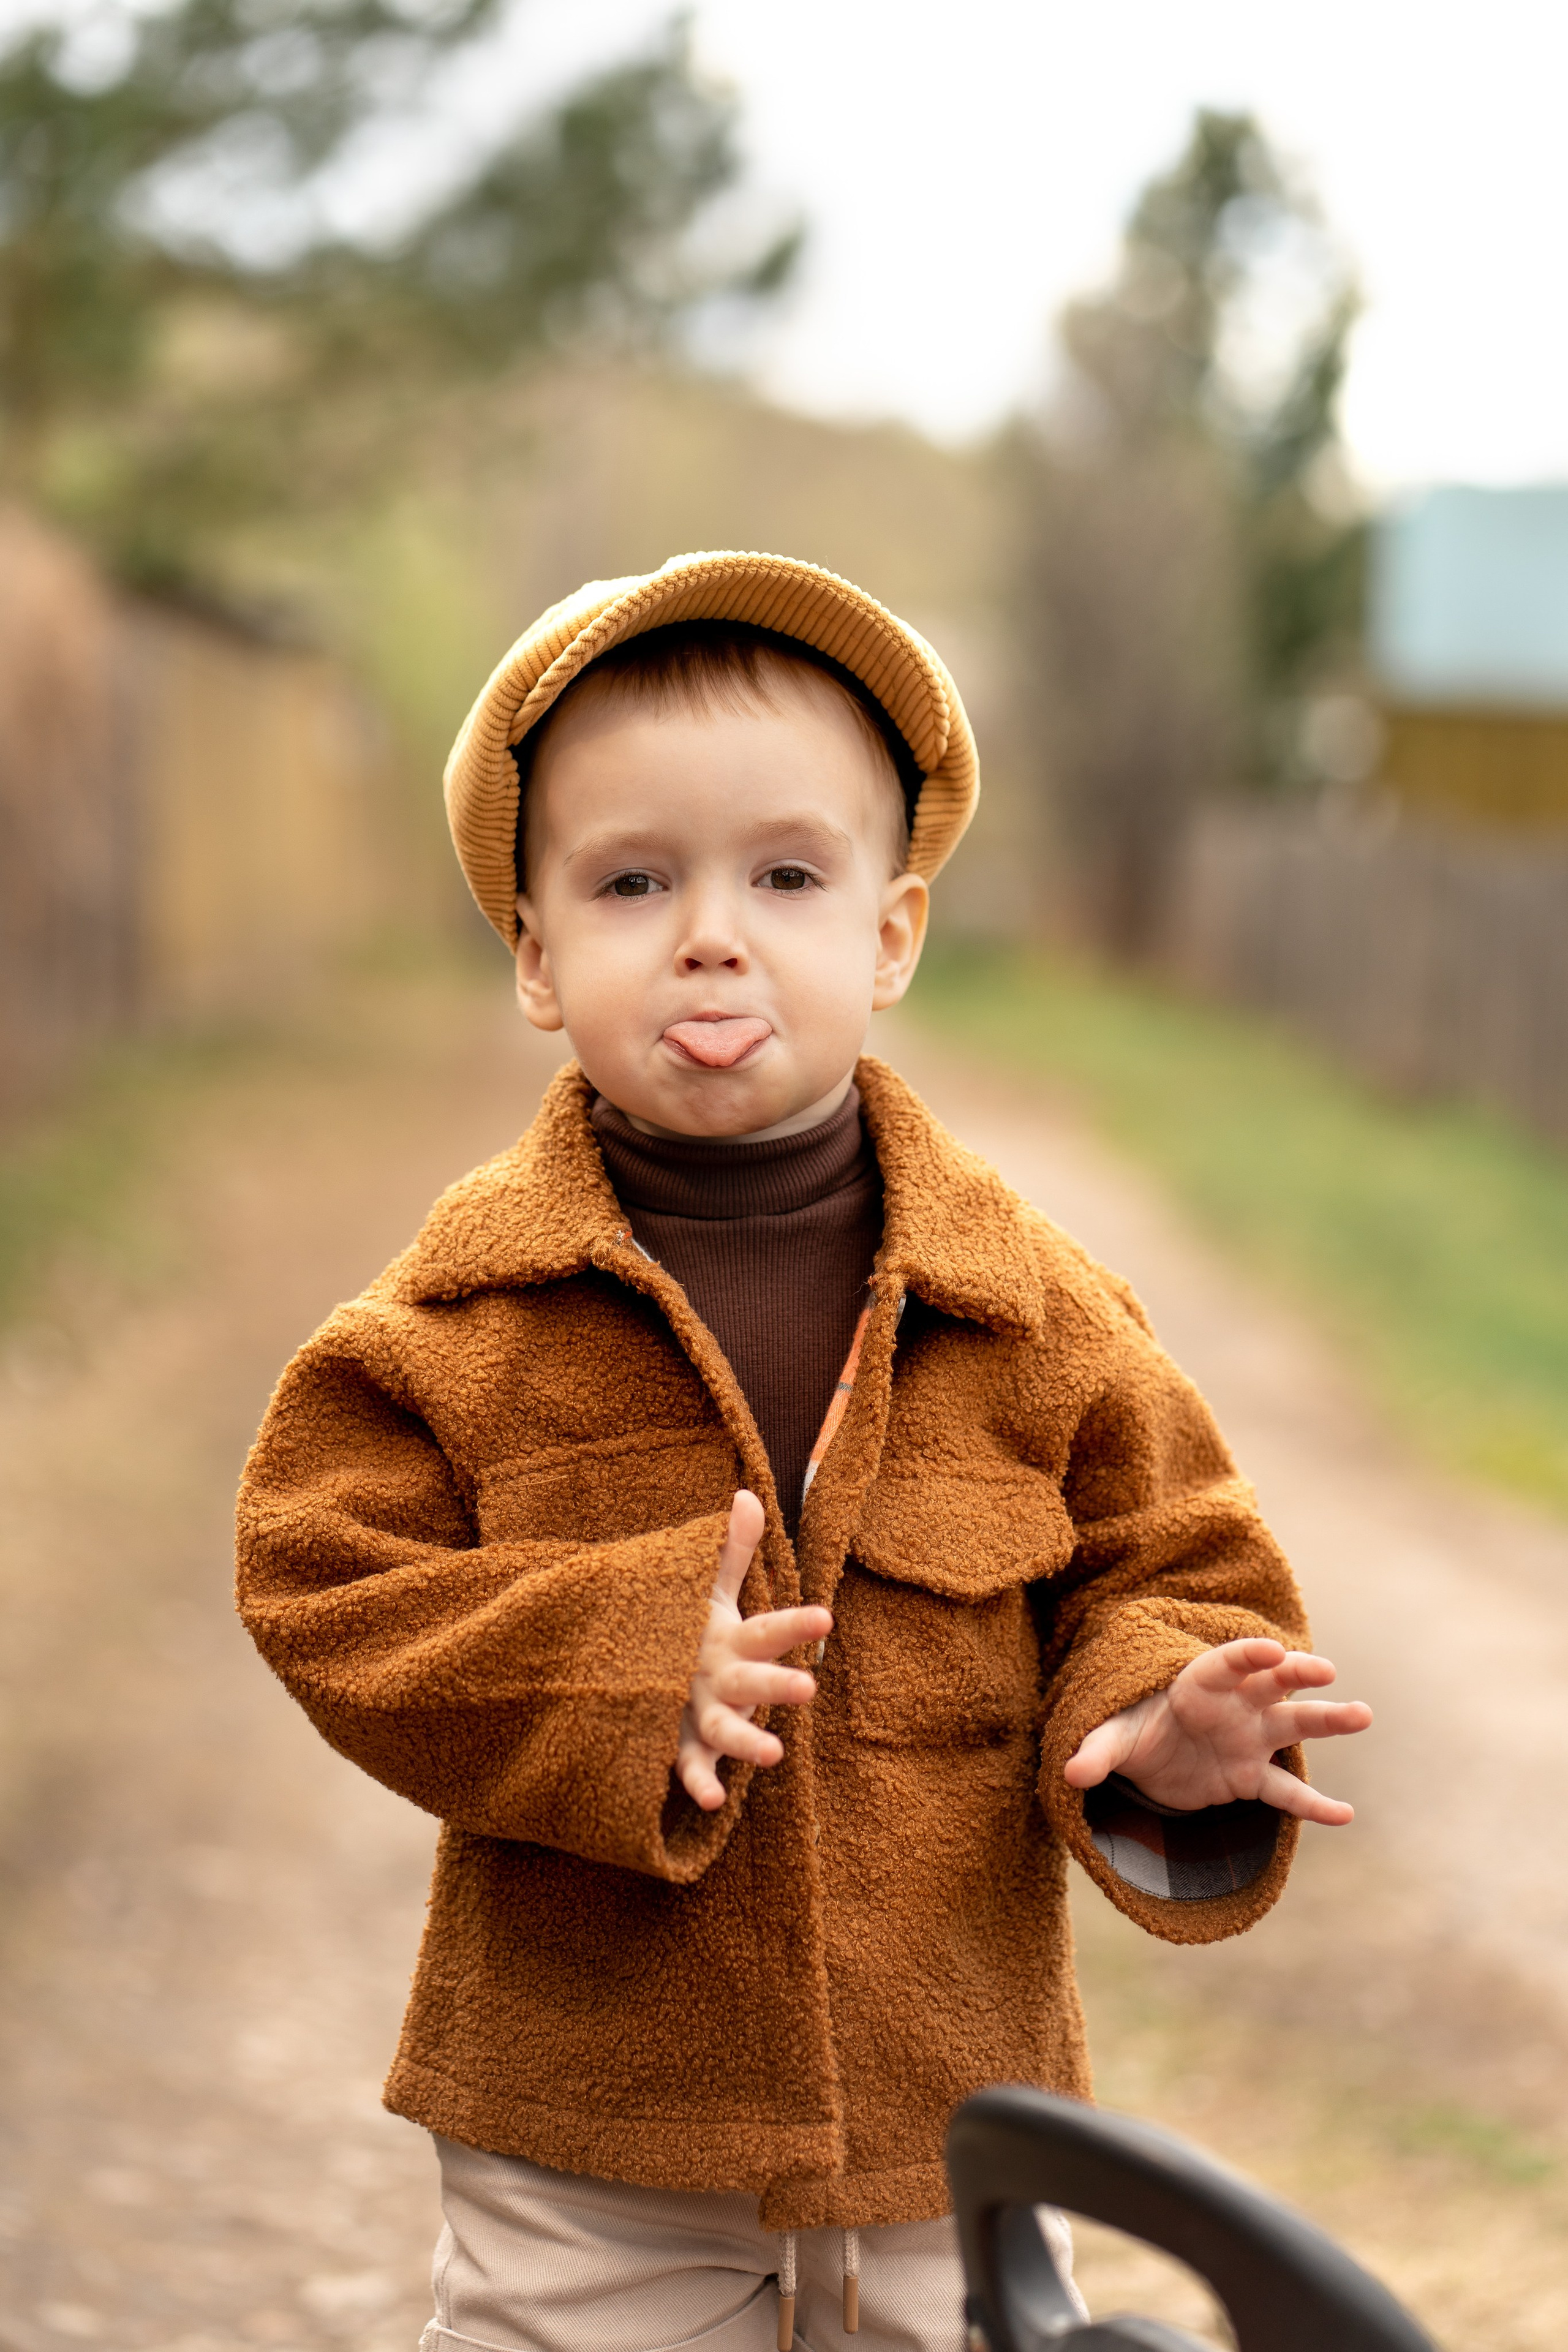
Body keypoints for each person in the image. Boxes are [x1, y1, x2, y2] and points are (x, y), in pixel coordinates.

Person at [235, 552, 1372, 2352]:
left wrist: (1159, 1715)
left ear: (892, 934)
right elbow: (321, 1577)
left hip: (954, 2132)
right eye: (631, 881)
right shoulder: (461, 1322)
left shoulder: (1036, 1309)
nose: (712, 932)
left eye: (785, 874)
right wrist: (620, 1669)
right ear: (535, 957)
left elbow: (1171, 1560)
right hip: (587, 2139)